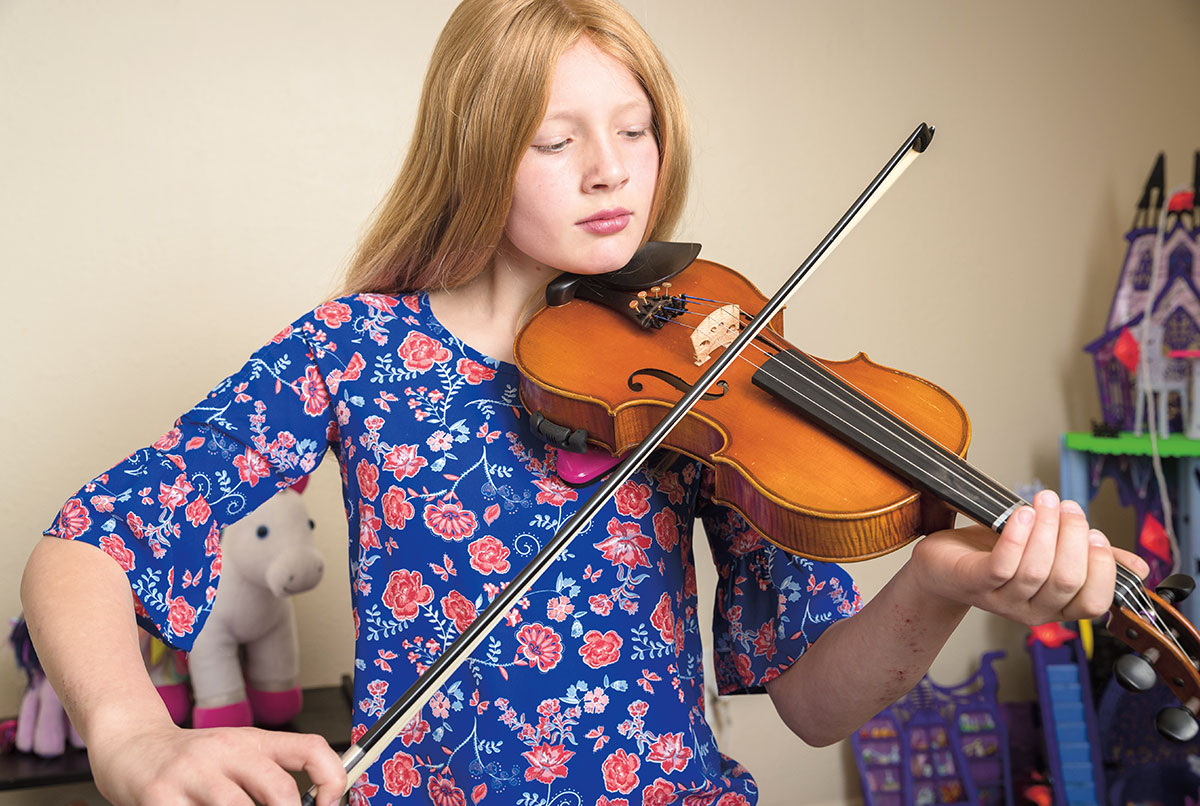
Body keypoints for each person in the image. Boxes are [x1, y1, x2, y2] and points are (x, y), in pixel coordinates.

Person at [20, 1, 1146, 804]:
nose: (611, 168)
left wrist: (935, 584)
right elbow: (87, 542)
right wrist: (130, 735)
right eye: (555, 140)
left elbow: (811, 699)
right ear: (475, 152)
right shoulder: (357, 346)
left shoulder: (716, 364)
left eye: (636, 127)